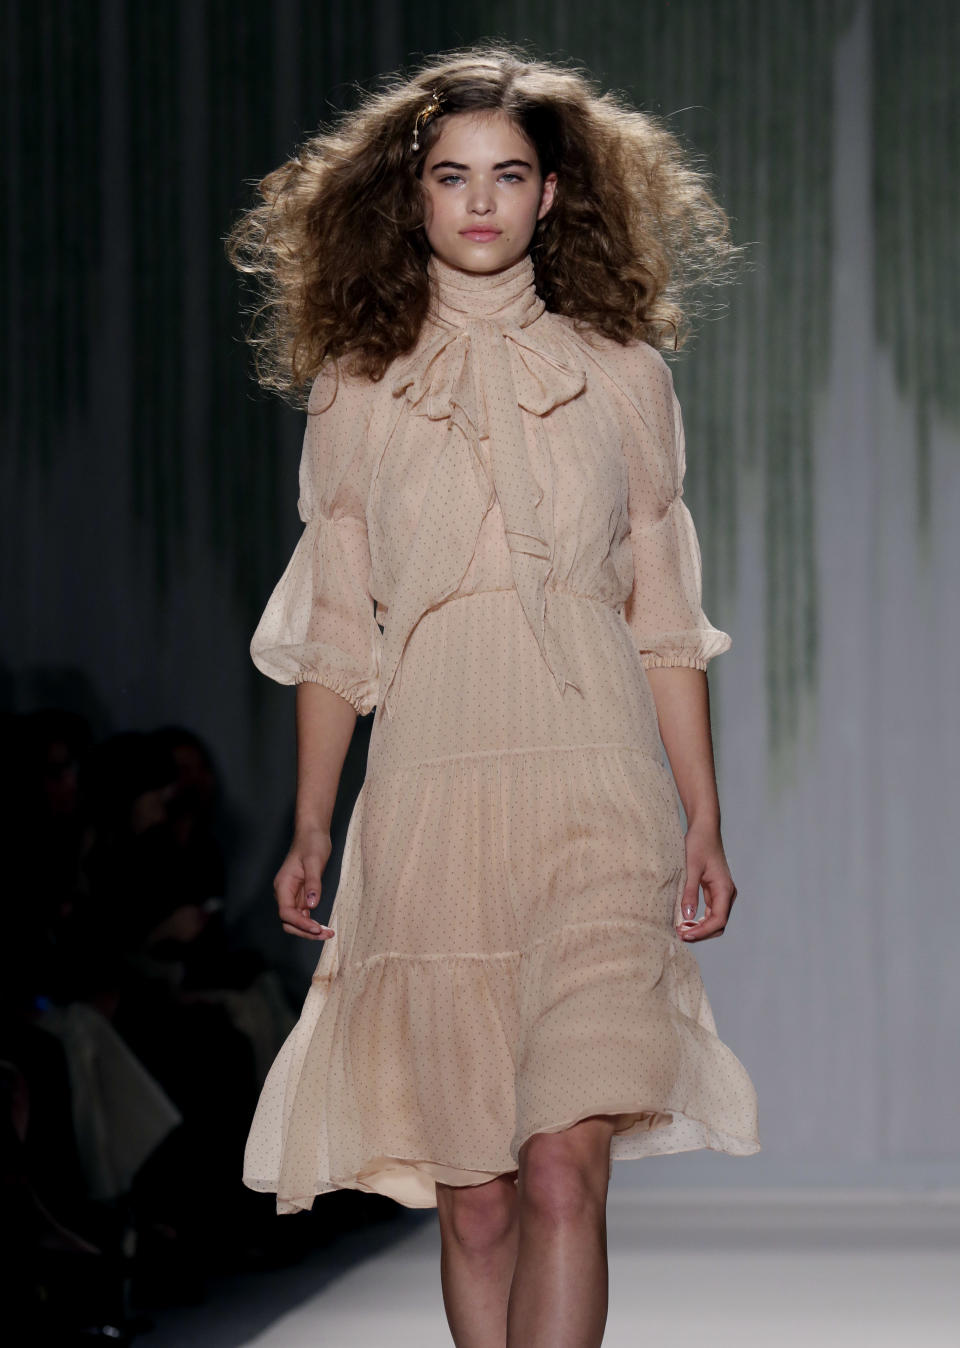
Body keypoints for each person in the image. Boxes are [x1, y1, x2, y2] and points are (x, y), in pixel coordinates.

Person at [227, 42, 760, 1348]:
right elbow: (339, 638)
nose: (480, 202)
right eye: (453, 176)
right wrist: (308, 826)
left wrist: (703, 814)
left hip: (594, 790)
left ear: (552, 196)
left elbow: (663, 621)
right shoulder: (356, 389)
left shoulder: (626, 377)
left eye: (508, 175)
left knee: (568, 1167)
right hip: (429, 805)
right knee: (474, 1199)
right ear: (409, 196)